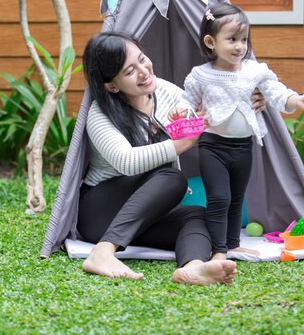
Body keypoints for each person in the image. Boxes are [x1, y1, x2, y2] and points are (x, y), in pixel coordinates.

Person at [78, 31, 265, 285]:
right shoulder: (99, 114)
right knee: (173, 178)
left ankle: (194, 267)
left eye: (142, 59)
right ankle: (103, 252)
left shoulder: (165, 92)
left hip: (142, 216)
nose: (144, 71)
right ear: (112, 85)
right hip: (100, 212)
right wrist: (182, 144)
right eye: (129, 71)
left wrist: (246, 99)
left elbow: (210, 109)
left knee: (197, 215)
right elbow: (126, 161)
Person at [169, 2, 304, 261]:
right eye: (232, 39)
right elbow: (187, 100)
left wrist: (297, 101)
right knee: (219, 198)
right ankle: (218, 251)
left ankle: (231, 243)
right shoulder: (201, 75)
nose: (240, 46)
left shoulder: (255, 70)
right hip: (213, 147)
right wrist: (181, 111)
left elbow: (277, 92)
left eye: (244, 39)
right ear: (210, 42)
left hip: (243, 148)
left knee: (237, 198)